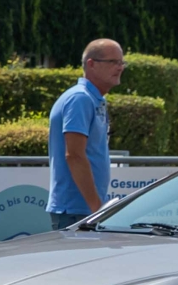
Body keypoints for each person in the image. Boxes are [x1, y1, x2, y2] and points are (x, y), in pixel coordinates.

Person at [48, 39, 124, 230]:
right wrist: (97, 209)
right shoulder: (80, 99)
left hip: (82, 210)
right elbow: (74, 155)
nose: (120, 68)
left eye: (122, 63)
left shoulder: (93, 99)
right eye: (113, 62)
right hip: (77, 212)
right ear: (91, 64)